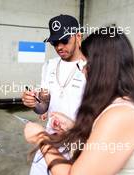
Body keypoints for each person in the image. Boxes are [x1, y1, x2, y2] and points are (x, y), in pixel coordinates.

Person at [24, 27, 134, 175]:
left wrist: (42, 138)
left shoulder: (121, 115)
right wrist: (73, 129)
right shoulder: (119, 105)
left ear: (102, 68)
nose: (83, 71)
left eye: (85, 65)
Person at [22, 14, 86, 175]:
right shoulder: (49, 66)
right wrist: (34, 103)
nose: (59, 47)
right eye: (54, 43)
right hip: (50, 138)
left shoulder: (90, 68)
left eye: (64, 41)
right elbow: (43, 107)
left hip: (79, 144)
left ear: (78, 36)